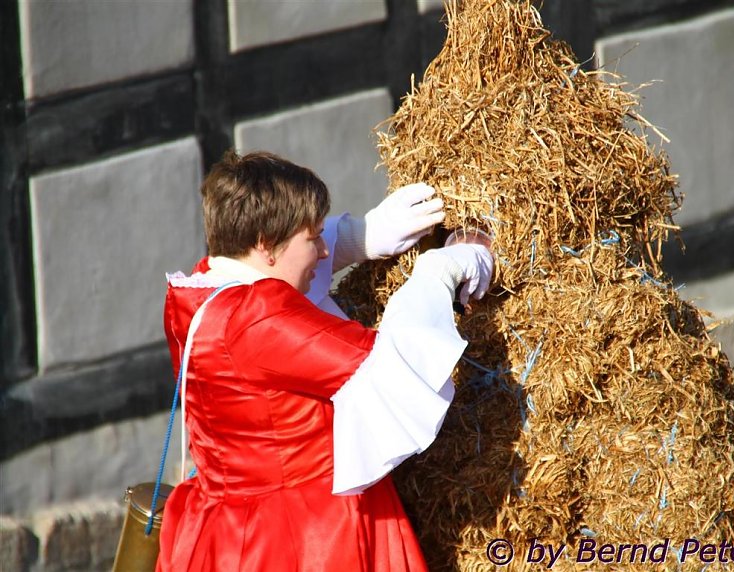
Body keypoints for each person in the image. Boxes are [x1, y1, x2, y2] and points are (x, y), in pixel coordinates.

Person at [156, 150, 493, 571]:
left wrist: (356, 237)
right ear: (264, 243)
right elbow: (388, 366)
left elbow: (269, 284)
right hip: (302, 538)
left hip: (223, 532)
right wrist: (440, 270)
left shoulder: (199, 291)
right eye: (312, 237)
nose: (320, 251)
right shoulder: (256, 317)